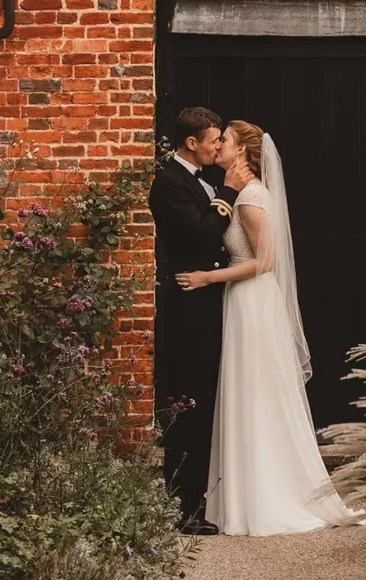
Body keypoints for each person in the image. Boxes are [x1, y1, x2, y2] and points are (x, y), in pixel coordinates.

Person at [175, 120, 364, 536]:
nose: (218, 144)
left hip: (252, 301)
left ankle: (263, 496)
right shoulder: (236, 193)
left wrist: (208, 278)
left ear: (241, 151)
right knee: (246, 392)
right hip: (241, 301)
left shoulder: (252, 196)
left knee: (256, 392)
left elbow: (266, 261)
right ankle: (238, 497)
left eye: (224, 139)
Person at [148, 107, 254, 535]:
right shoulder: (169, 183)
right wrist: (228, 192)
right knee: (188, 400)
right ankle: (183, 508)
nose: (217, 146)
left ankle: (199, 499)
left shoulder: (200, 180)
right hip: (188, 303)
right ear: (192, 143)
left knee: (205, 398)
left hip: (207, 299)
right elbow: (200, 234)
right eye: (213, 140)